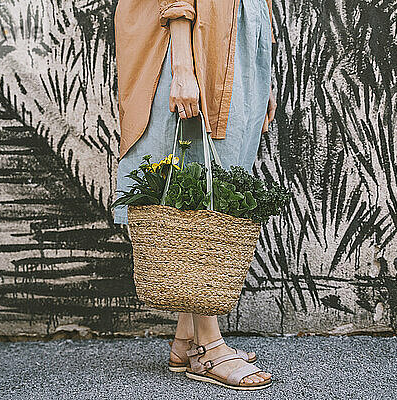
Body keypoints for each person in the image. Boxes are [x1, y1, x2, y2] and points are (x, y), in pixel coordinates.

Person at [113, 0, 276, 390]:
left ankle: (186, 338)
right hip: (194, 34)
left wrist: (262, 73)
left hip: (234, 34)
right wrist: (183, 65)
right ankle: (210, 345)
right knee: (197, 181)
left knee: (218, 176)